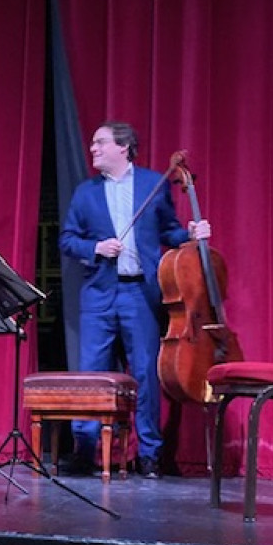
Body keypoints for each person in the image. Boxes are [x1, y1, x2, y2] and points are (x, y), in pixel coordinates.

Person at [59, 121, 210, 479]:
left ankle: (150, 454)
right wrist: (95, 247)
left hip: (139, 293)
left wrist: (189, 232)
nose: (93, 148)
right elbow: (67, 240)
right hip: (98, 294)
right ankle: (84, 449)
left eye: (100, 143)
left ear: (123, 147)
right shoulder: (85, 193)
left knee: (144, 372)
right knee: (92, 373)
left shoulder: (150, 184)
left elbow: (169, 230)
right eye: (93, 143)